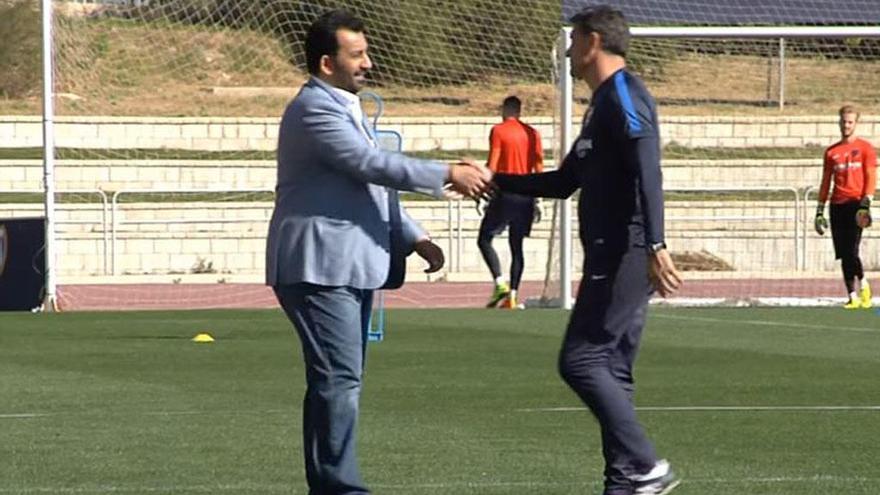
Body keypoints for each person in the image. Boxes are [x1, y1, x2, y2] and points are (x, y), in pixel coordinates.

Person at [265, 9, 491, 494]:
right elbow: (368, 164)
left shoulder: (344, 104)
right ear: (327, 63)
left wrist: (413, 236)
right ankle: (341, 488)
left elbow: (367, 184)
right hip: (319, 265)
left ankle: (330, 484)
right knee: (339, 379)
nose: (368, 62)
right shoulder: (315, 109)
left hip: (346, 265)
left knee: (337, 379)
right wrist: (446, 172)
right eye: (358, 54)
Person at [491, 6, 682, 495]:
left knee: (582, 362)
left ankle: (644, 465)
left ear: (593, 41)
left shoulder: (623, 94)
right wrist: (494, 181)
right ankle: (625, 484)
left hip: (626, 251)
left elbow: (649, 169)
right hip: (610, 254)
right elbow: (564, 181)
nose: (569, 52)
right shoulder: (600, 104)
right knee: (612, 370)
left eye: (573, 41)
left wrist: (656, 244)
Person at [478, 96, 545, 309]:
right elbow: (539, 166)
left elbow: (493, 163)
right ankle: (513, 295)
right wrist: (539, 198)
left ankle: (500, 284)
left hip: (505, 192)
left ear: (505, 109)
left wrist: (484, 191)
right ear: (520, 110)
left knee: (485, 238)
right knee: (517, 246)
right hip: (526, 195)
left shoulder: (499, 131)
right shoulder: (533, 134)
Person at [814, 104, 877, 309]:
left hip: (856, 205)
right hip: (837, 205)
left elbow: (870, 177)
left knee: (852, 249)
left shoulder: (866, 148)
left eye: (850, 122)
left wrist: (866, 203)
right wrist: (820, 209)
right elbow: (825, 181)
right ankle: (852, 295)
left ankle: (864, 285)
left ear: (856, 124)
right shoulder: (832, 152)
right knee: (842, 252)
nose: (846, 125)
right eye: (843, 121)